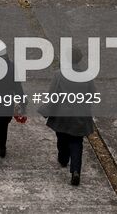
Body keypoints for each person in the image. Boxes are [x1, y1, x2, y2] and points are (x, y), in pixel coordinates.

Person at [41, 46, 97, 186]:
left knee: (62, 137)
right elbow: (92, 95)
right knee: (77, 142)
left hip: (61, 115)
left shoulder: (59, 75)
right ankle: (76, 171)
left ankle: (63, 158)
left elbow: (52, 95)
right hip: (80, 115)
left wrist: (46, 109)